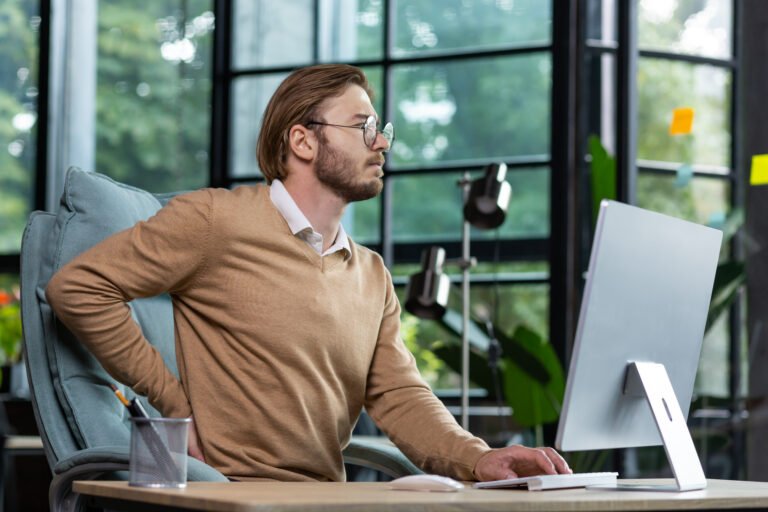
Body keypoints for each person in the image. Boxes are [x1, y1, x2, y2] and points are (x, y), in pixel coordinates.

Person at [46, 64, 570, 482]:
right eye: (364, 127)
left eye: (381, 129)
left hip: (321, 499)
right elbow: (79, 287)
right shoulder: (215, 220)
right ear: (303, 141)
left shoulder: (371, 274)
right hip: (230, 496)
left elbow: (400, 396)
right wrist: (175, 403)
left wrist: (480, 458)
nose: (382, 143)